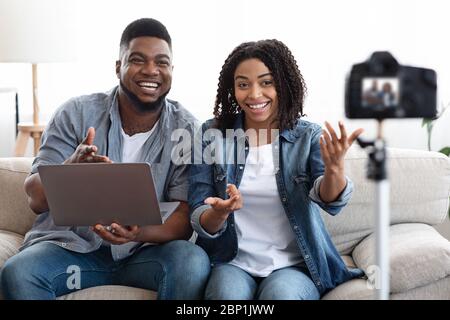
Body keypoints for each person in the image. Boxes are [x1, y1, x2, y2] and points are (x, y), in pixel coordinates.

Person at [0, 18, 210, 300]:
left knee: (192, 261)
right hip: (71, 248)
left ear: (172, 70)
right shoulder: (75, 113)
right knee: (18, 271)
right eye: (137, 60)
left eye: (161, 62)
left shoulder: (187, 130)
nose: (151, 70)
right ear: (118, 66)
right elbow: (35, 200)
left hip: (144, 253)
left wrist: (136, 232)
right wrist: (70, 169)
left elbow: (184, 220)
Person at [189, 39, 365, 300]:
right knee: (226, 297)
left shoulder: (308, 136)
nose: (254, 94)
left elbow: (330, 201)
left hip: (294, 266)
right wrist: (219, 213)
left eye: (266, 82)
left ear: (284, 84)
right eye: (243, 84)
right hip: (231, 262)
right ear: (232, 89)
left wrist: (334, 170)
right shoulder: (212, 134)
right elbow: (198, 211)